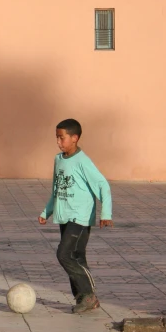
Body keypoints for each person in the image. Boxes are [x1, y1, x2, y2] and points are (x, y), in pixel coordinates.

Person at [39, 118, 113, 313]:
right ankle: (82, 298)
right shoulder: (58, 159)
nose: (58, 142)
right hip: (64, 217)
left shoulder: (83, 161)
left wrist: (106, 213)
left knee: (64, 254)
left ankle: (89, 295)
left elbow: (102, 184)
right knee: (77, 257)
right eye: (56, 138)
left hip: (79, 218)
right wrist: (46, 212)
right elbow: (56, 190)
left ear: (74, 138)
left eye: (61, 138)